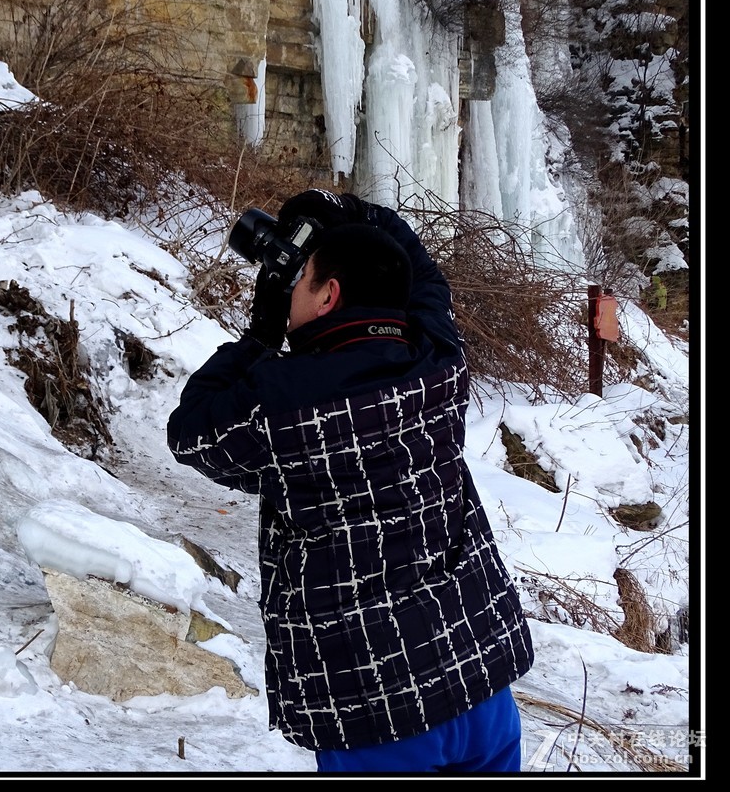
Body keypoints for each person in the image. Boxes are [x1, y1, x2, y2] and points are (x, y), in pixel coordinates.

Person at [167, 189, 534, 773]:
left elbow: (190, 432)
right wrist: (357, 218)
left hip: (375, 707)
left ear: (329, 297)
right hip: (478, 678)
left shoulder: (277, 406)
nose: (291, 287)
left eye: (302, 278)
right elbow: (424, 277)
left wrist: (260, 337)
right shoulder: (438, 363)